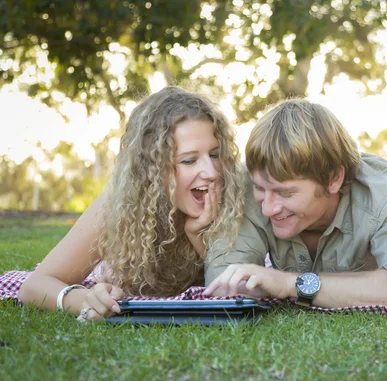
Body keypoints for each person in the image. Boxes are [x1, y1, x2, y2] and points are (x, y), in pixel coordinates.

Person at [18, 86, 245, 321]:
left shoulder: (231, 198)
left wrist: (198, 238)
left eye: (215, 155)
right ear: (153, 168)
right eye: (189, 160)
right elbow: (34, 286)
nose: (211, 172)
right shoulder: (121, 204)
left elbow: (233, 291)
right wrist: (85, 300)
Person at [203, 99, 387, 311]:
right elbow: (224, 282)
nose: (268, 208)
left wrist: (290, 285)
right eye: (261, 189)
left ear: (333, 178)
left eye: (285, 192)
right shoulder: (245, 185)